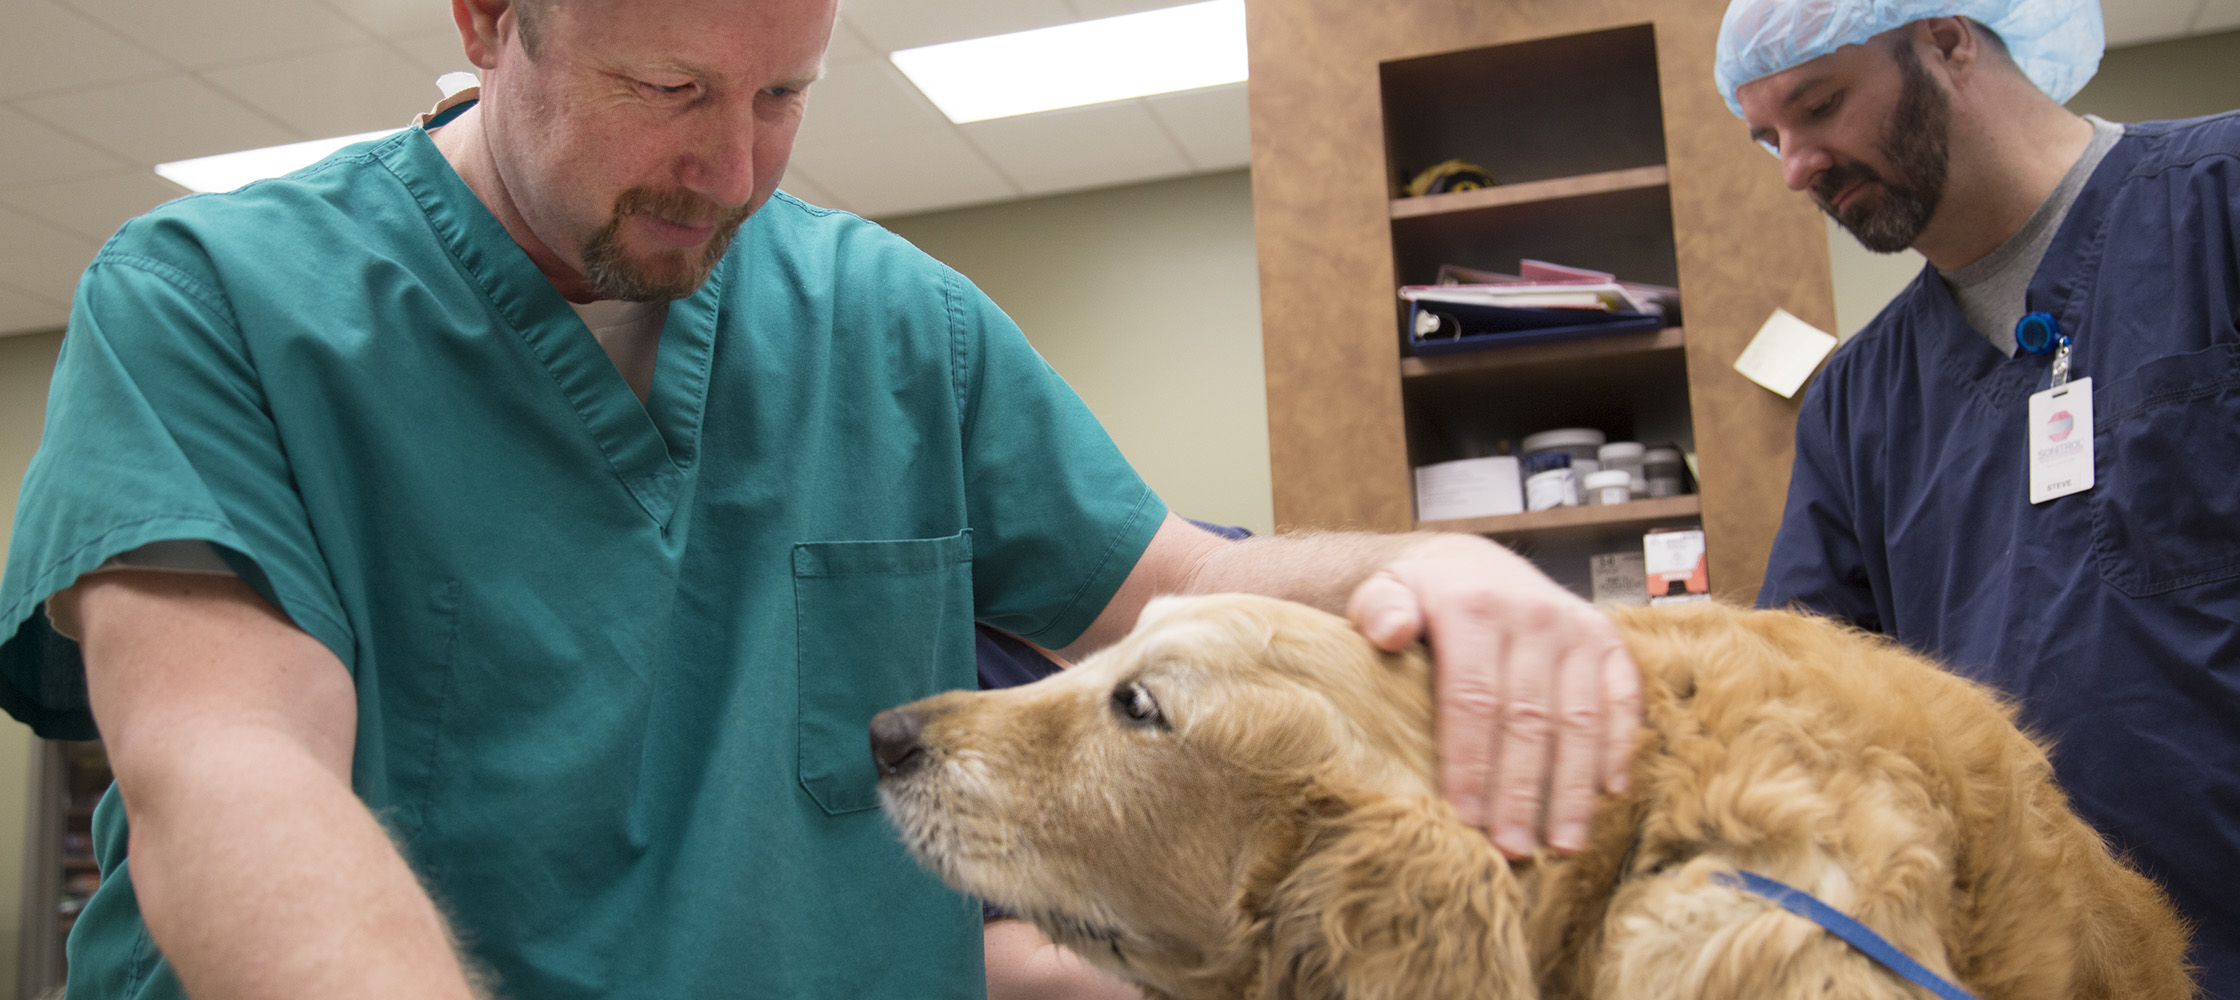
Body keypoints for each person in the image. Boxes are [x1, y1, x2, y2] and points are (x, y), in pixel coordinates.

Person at [0, 2, 1642, 998]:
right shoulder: (216, 303)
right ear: (491, 17)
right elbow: (229, 768)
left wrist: (1430, 567)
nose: (735, 169)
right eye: (672, 91)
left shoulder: (889, 323)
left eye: (783, 93)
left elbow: (1180, 583)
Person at [1718, 1, 2240, 995]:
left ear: (1947, 41)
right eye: (1766, 138)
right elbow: (1809, 703)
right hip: (2043, 965)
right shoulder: (1856, 402)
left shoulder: (2216, 206)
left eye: (1817, 106)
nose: (1794, 165)